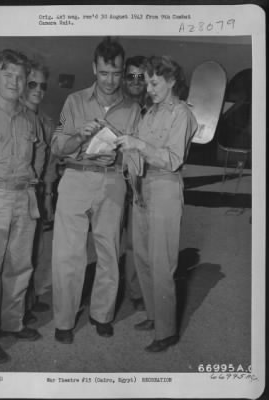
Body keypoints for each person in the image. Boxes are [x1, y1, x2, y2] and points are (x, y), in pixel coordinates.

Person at [51, 37, 141, 344]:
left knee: (109, 251)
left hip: (112, 181)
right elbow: (57, 147)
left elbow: (135, 156)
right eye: (104, 73)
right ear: (94, 68)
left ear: (123, 71)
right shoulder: (74, 102)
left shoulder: (133, 108)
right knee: (67, 255)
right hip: (75, 179)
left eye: (116, 73)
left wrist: (123, 155)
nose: (110, 80)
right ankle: (64, 319)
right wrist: (78, 135)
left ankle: (101, 314)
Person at [115, 56, 198, 352]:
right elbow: (138, 153)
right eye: (146, 82)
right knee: (143, 259)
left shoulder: (181, 114)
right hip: (142, 188)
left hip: (165, 187)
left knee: (162, 264)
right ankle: (153, 316)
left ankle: (167, 332)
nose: (148, 88)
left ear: (172, 81)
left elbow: (173, 159)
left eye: (154, 82)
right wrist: (126, 153)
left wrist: (139, 145)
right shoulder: (149, 113)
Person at [0, 49, 46, 366]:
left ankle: (12, 322)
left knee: (20, 268)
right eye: (8, 74)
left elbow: (36, 162)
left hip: (24, 197)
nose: (15, 81)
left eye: (20, 76)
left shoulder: (30, 118)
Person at [22, 58, 56, 324]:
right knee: (18, 255)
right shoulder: (17, 116)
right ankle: (16, 308)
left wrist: (47, 199)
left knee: (35, 250)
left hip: (39, 193)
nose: (38, 90)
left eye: (42, 86)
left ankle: (28, 300)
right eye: (32, 83)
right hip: (20, 192)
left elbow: (50, 165)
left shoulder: (45, 120)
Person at [122, 56, 148, 311]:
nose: (136, 82)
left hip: (139, 180)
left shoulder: (154, 108)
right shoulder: (115, 105)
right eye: (131, 76)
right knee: (105, 240)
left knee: (135, 241)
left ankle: (135, 291)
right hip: (113, 178)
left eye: (141, 76)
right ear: (123, 78)